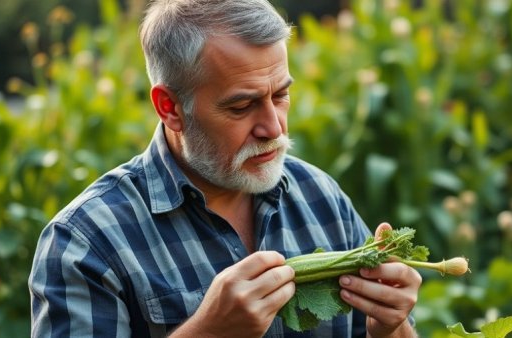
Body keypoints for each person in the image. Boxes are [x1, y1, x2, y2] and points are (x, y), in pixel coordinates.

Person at [28, 0, 422, 337]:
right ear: (170, 108)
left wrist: (391, 328)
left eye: (281, 95)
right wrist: (209, 331)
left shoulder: (321, 196)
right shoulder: (86, 242)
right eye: (241, 106)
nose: (274, 127)